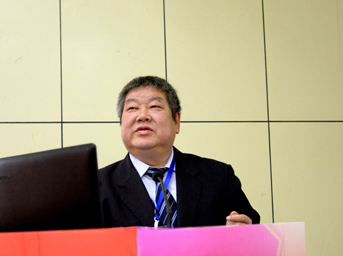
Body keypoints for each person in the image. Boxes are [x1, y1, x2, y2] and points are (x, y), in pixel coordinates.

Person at [95, 75, 261, 228]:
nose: (143, 116)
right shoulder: (97, 187)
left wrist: (246, 234)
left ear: (177, 121)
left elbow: (256, 235)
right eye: (132, 108)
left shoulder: (219, 177)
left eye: (154, 106)